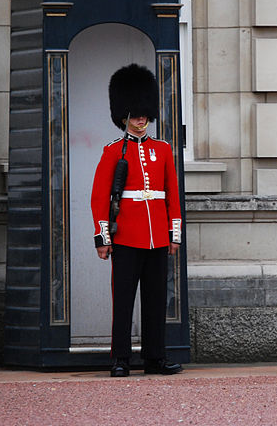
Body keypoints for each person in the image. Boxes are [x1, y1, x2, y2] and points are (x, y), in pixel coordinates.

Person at [90, 63, 183, 377]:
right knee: (124, 301)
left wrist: (175, 234)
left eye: (144, 114)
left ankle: (155, 358)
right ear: (124, 117)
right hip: (126, 237)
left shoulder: (163, 150)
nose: (140, 120)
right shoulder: (113, 152)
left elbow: (172, 194)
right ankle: (120, 359)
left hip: (158, 236)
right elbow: (100, 199)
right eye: (134, 115)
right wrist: (103, 238)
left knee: (156, 301)